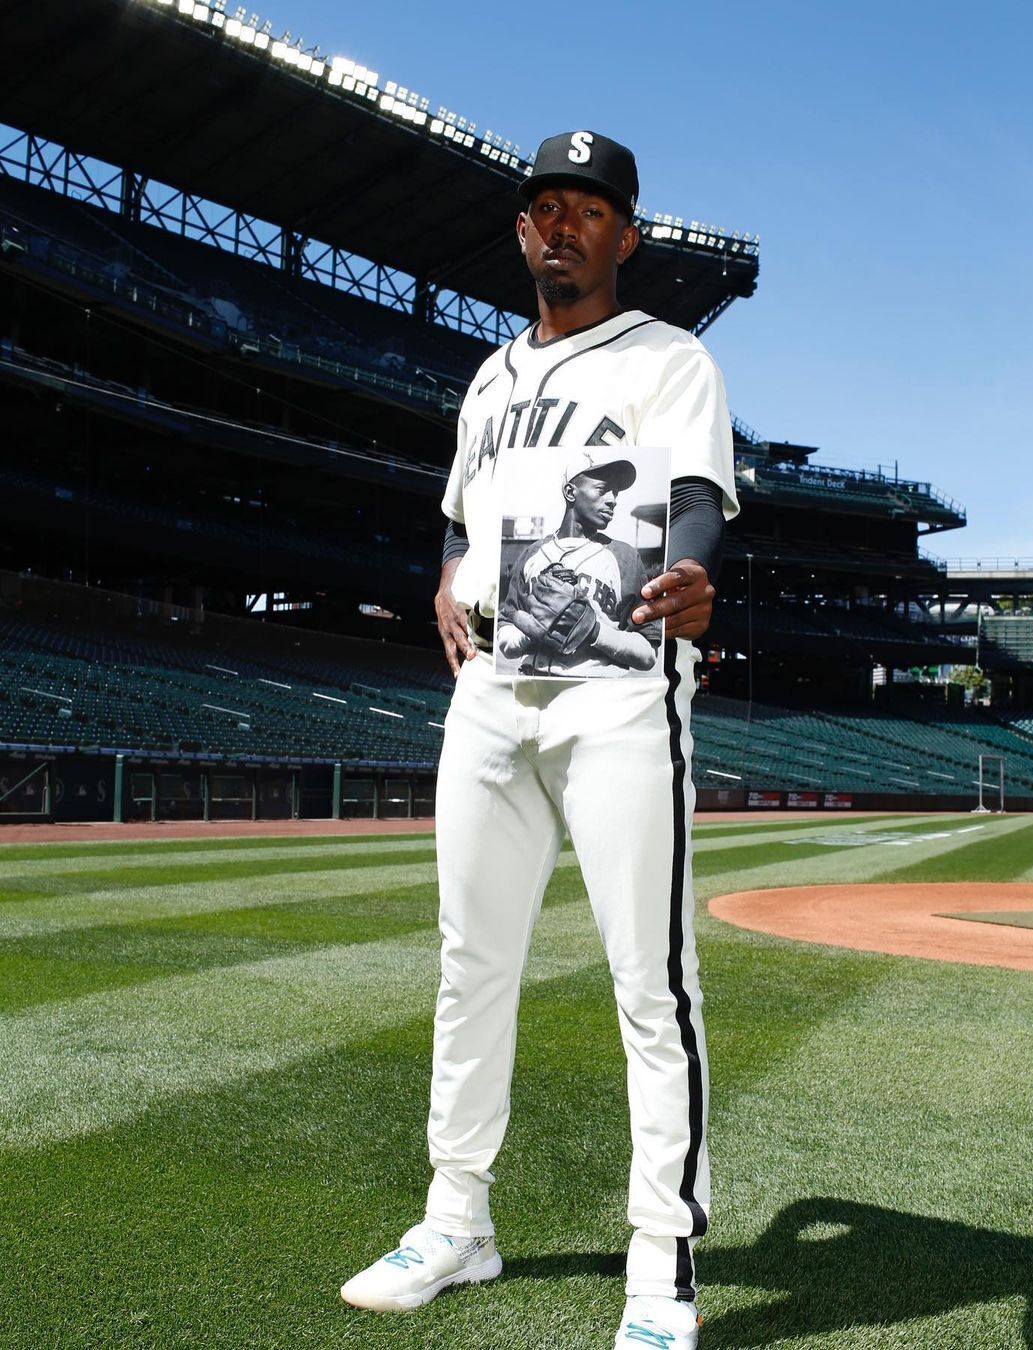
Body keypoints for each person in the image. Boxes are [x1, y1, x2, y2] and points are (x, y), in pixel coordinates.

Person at [341, 129, 739, 1350]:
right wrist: (447, 580)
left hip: (617, 688)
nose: (560, 225)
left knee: (648, 982)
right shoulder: (487, 378)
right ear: (521, 233)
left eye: (588, 208)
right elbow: (460, 523)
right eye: (542, 208)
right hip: (494, 690)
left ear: (625, 233)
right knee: (471, 963)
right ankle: (458, 1220)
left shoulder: (670, 360)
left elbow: (698, 503)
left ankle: (662, 1264)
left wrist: (693, 574)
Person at [497, 450, 662, 676]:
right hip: (531, 686)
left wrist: (593, 631)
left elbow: (648, 654)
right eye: (603, 490)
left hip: (594, 692)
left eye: (615, 493)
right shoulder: (532, 554)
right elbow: (504, 631)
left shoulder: (625, 557)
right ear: (570, 492)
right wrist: (534, 629)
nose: (613, 500)